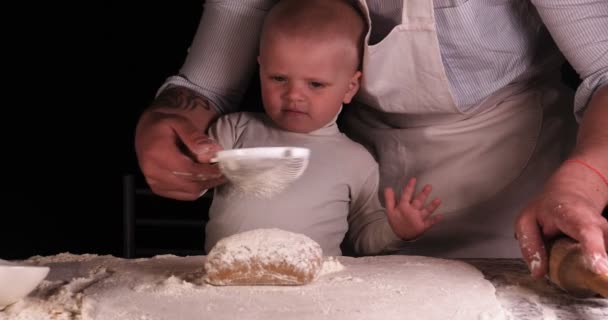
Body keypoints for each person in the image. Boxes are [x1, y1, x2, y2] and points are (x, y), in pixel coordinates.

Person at [134, 0, 608, 279]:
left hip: (512, 191)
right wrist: (167, 121)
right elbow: (202, 89)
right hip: (354, 197)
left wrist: (584, 183)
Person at [201, 0, 442, 256]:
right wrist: (197, 161)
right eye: (278, 78)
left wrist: (396, 231)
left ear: (350, 88)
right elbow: (196, 180)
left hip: (315, 290)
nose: (293, 95)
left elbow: (362, 239)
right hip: (227, 283)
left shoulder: (356, 161)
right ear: (261, 69)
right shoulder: (233, 130)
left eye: (315, 84)